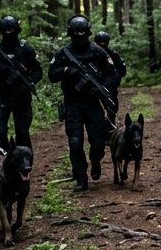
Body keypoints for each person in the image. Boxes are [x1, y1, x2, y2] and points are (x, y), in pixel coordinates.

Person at [48, 15, 119, 192]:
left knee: (98, 142)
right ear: (70, 33)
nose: (79, 35)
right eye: (76, 32)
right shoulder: (64, 53)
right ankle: (80, 178)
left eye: (82, 31)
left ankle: (95, 161)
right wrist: (66, 71)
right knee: (74, 142)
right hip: (72, 104)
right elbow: (51, 74)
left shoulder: (97, 52)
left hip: (93, 104)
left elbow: (113, 75)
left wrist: (101, 88)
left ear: (88, 32)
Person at [0, 15, 42, 151]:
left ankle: (24, 164)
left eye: (11, 30)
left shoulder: (25, 48)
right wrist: (0, 67)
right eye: (6, 30)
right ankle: (4, 159)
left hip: (22, 96)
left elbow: (37, 70)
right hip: (2, 95)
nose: (9, 33)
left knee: (22, 133)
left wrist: (30, 81)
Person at [93, 30, 125, 122]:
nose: (102, 45)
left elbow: (121, 71)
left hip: (110, 88)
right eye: (100, 43)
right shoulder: (92, 54)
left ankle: (110, 128)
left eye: (104, 43)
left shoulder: (114, 55)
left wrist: (112, 81)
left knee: (111, 109)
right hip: (94, 86)